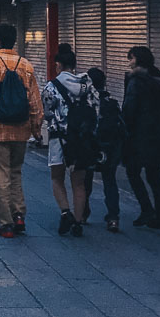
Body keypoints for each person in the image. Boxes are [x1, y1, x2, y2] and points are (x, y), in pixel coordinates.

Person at [0, 22, 44, 238]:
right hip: (21, 131)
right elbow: (35, 102)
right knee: (15, 172)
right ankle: (19, 215)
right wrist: (35, 128)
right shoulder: (26, 65)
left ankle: (6, 223)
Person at [42, 44, 98, 237]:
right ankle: (79, 221)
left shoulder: (51, 86)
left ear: (58, 65)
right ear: (74, 64)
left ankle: (65, 212)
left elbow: (48, 114)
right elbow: (96, 108)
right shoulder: (87, 83)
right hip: (82, 140)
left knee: (57, 178)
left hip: (59, 139)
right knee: (79, 182)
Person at [121, 46, 160, 231]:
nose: (129, 62)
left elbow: (129, 110)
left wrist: (125, 130)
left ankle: (147, 209)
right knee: (155, 177)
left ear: (137, 60)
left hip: (139, 136)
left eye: (130, 58)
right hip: (159, 136)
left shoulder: (136, 81)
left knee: (132, 172)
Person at [87, 67, 129, 233]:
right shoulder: (111, 103)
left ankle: (83, 213)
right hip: (109, 148)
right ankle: (113, 218)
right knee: (110, 181)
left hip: (90, 146)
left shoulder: (86, 102)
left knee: (85, 180)